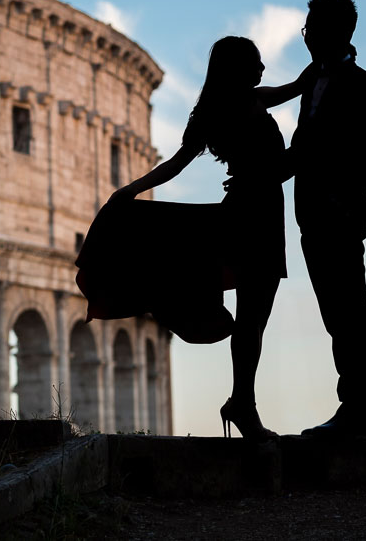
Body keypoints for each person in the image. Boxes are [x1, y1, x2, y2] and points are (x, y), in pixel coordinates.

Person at [109, 36, 302, 441]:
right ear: (236, 68)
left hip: (260, 212)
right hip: (252, 214)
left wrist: (334, 61)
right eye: (256, 61)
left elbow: (299, 85)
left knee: (255, 318)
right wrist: (131, 191)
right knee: (253, 317)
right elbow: (176, 164)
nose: (263, 68)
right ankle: (242, 405)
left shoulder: (251, 100)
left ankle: (241, 402)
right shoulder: (226, 109)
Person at [259, 0, 366, 437]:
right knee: (337, 312)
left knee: (350, 309)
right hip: (311, 215)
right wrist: (268, 176)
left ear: (336, 31)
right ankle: (354, 408)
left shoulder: (364, 86)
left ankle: (361, 411)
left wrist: (339, 199)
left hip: (340, 215)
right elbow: (304, 148)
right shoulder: (313, 79)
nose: (307, 35)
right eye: (306, 27)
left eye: (312, 27)